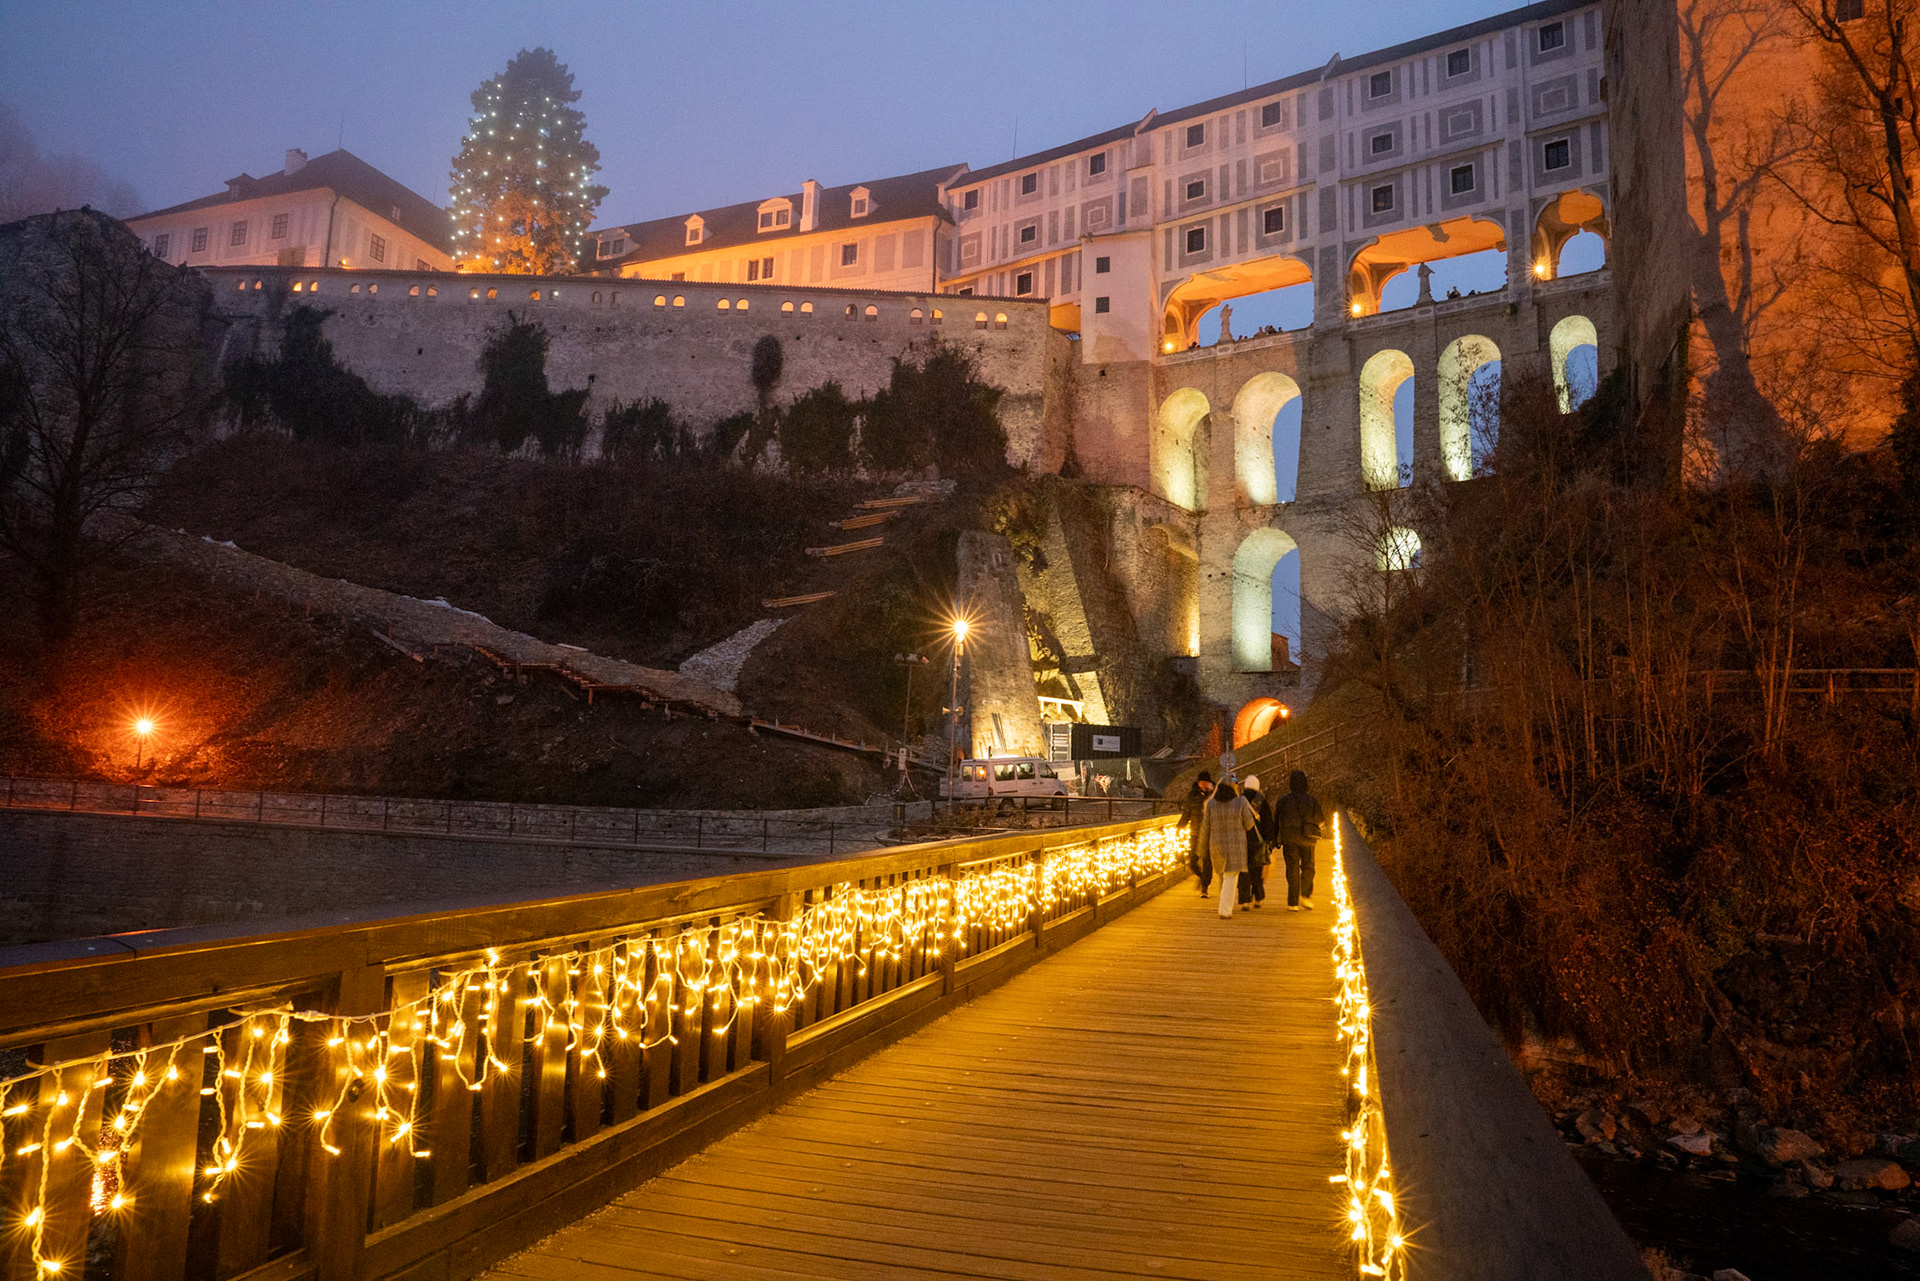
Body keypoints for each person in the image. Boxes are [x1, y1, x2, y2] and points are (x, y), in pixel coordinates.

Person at [1194, 780, 1257, 919]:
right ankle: (1224, 910)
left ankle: (1223, 904)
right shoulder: (1240, 802)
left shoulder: (1211, 805)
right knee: (1230, 877)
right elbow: (1248, 825)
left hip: (1216, 846)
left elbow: (1205, 828)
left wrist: (1201, 850)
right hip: (1235, 846)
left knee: (1222, 875)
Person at [1270, 769, 1326, 910]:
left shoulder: (1283, 800)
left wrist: (1275, 838)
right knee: (1308, 866)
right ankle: (1306, 895)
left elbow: (1276, 820)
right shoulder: (1311, 800)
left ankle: (1292, 902)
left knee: (1292, 869)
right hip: (1307, 838)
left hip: (1289, 839)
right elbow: (1321, 819)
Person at [1238, 774, 1275, 910]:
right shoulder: (1262, 802)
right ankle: (1258, 897)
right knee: (1257, 870)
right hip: (1258, 842)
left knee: (1243, 870)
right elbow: (1268, 823)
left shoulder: (1239, 801)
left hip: (1241, 840)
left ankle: (1244, 900)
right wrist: (1270, 841)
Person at [1177, 771, 1215, 895]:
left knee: (1207, 861)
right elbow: (1186, 814)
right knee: (1192, 860)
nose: (1203, 784)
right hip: (1195, 833)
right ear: (1198, 783)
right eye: (1201, 782)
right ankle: (1202, 876)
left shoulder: (1215, 796)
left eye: (1206, 782)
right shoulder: (1192, 796)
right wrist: (1180, 827)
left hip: (1210, 834)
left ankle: (1205, 886)